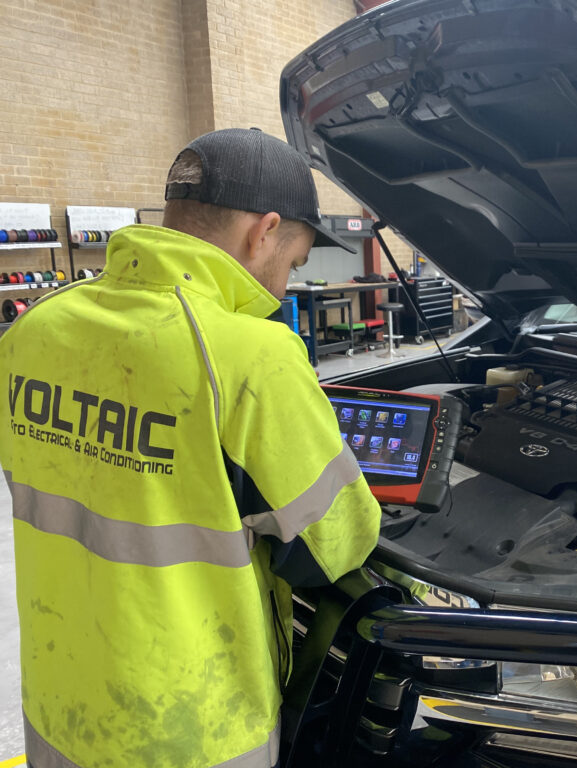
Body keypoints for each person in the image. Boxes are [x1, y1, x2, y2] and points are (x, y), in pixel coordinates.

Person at [0, 128, 382, 767]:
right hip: (189, 730)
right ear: (263, 232)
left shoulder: (36, 326)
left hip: (62, 703)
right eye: (293, 262)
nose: (285, 288)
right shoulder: (250, 357)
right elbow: (333, 544)